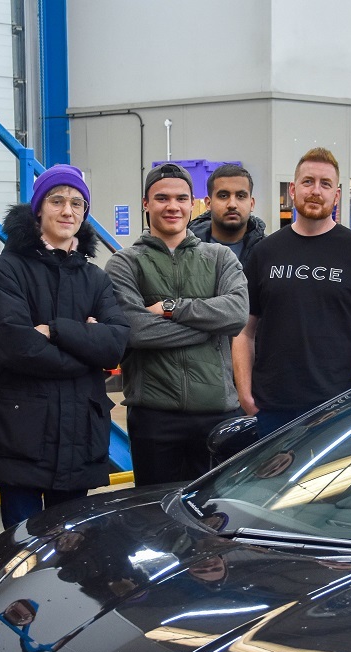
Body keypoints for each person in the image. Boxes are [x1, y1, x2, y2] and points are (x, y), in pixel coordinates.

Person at [0, 164, 129, 529]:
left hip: (79, 437)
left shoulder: (96, 277)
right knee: (21, 554)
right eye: (57, 200)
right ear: (38, 208)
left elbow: (115, 345)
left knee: (70, 557)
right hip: (21, 436)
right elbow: (15, 346)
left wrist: (56, 330)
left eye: (77, 203)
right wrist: (86, 350)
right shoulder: (8, 268)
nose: (67, 210)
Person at [234, 147, 351, 438]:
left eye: (325, 184)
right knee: (272, 485)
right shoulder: (265, 252)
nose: (316, 190)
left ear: (337, 194)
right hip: (273, 408)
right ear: (293, 190)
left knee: (335, 485)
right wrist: (245, 394)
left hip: (337, 409)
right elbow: (244, 330)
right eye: (308, 182)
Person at [105, 162, 249, 486]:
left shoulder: (220, 258)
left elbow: (237, 313)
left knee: (214, 518)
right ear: (146, 203)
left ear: (193, 203)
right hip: (154, 416)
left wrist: (171, 307)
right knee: (154, 517)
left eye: (181, 198)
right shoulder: (124, 263)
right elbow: (135, 330)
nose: (173, 206)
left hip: (216, 413)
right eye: (162, 198)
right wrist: (211, 325)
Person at [189, 163, 267, 265]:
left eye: (240, 196)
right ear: (208, 203)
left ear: (251, 204)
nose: (232, 204)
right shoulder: (186, 248)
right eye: (223, 196)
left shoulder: (268, 251)